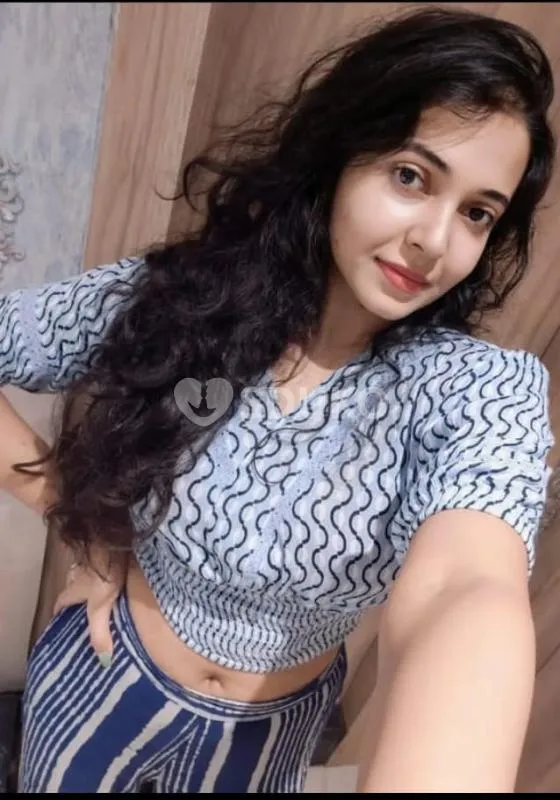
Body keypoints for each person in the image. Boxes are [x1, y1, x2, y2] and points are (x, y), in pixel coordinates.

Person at [0, 5, 556, 793]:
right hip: (101, 673)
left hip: (269, 741)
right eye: (411, 176)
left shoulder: (475, 391)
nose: (435, 240)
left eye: (476, 213)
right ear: (341, 154)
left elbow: (465, 584)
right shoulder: (176, 299)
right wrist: (70, 511)